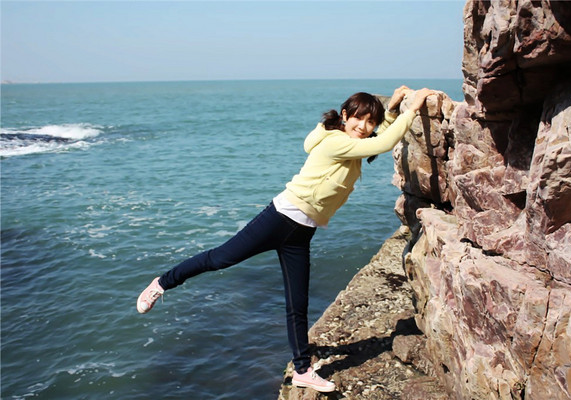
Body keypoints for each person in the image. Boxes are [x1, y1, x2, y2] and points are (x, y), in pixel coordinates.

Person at [136, 85, 435, 393]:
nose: (364, 126)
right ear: (345, 116)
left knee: (297, 302)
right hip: (279, 219)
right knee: (220, 258)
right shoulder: (336, 141)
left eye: (370, 121)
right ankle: (162, 283)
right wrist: (412, 108)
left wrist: (392, 110)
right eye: (359, 119)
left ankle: (303, 370)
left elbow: (373, 144)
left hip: (301, 232)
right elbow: (383, 143)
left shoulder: (349, 141)